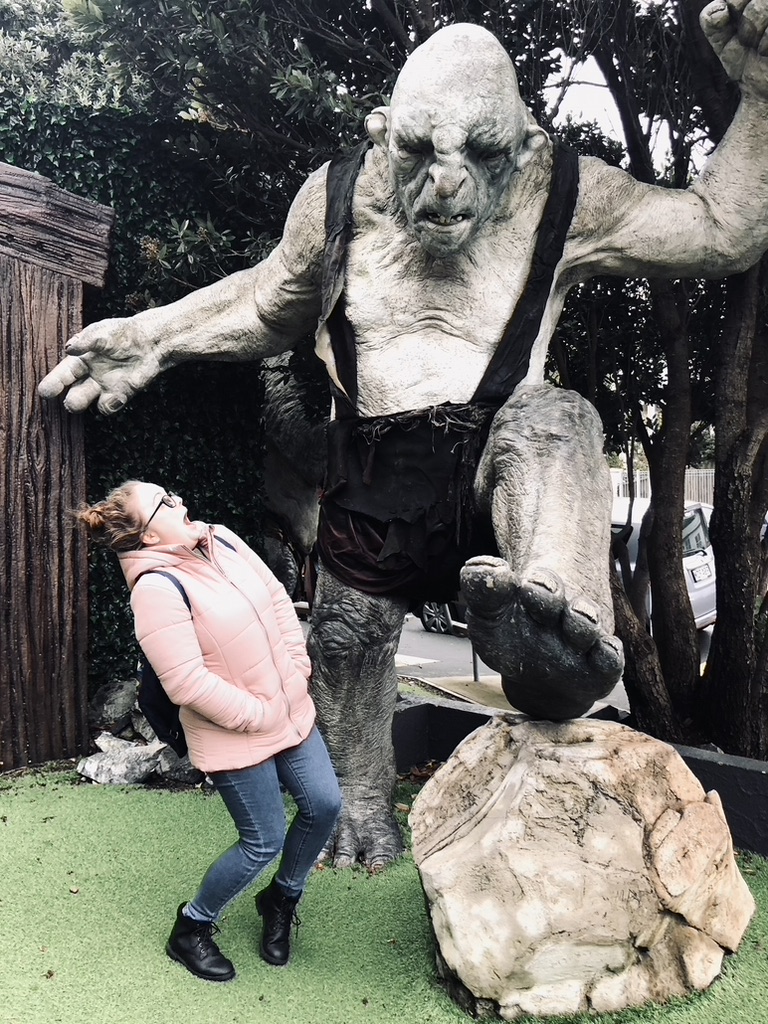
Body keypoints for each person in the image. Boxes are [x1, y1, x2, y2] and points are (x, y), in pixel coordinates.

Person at [41, 7, 768, 870]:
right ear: (383, 133)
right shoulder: (340, 193)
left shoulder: (566, 191)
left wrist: (759, 95)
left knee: (561, 420)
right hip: (372, 472)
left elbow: (723, 230)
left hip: (499, 459)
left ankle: (552, 637)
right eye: (419, 152)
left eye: (482, 156)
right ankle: (356, 794)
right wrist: (154, 336)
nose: (448, 185)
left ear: (526, 146)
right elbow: (271, 299)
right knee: (347, 638)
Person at [75, 480, 342, 982]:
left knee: (325, 805)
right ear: (148, 536)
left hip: (289, 706)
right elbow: (185, 683)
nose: (178, 501)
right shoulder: (156, 588)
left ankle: (280, 899)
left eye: (171, 492)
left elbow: (277, 601)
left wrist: (296, 666)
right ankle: (191, 928)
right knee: (260, 842)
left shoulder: (220, 537)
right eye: (163, 503)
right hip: (235, 731)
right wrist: (256, 713)